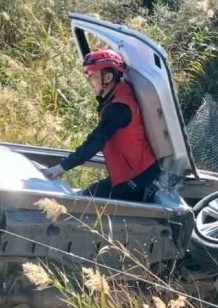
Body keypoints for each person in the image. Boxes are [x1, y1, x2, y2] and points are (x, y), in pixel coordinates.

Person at [41, 49, 159, 202]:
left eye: (93, 76)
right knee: (87, 196)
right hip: (131, 173)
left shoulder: (119, 107)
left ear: (108, 78)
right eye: (88, 76)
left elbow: (95, 142)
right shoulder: (117, 94)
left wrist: (62, 167)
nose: (89, 81)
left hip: (138, 178)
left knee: (85, 203)